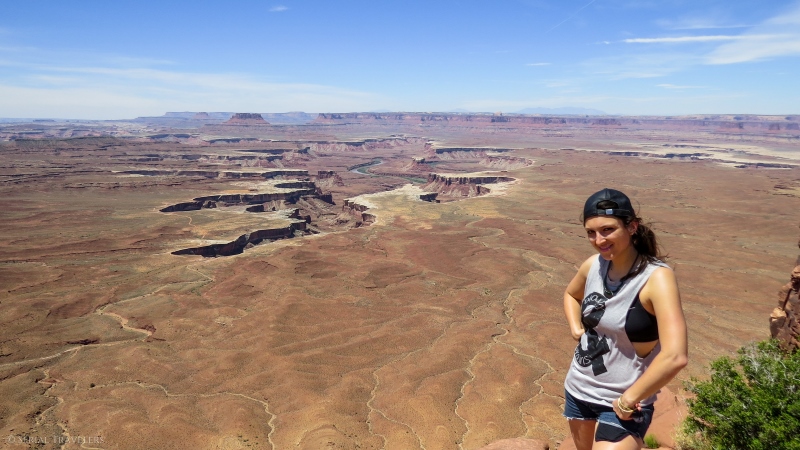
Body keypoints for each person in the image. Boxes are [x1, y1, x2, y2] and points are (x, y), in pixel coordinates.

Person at [562, 188, 688, 450]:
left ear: (632, 227)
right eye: (591, 232)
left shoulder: (656, 279)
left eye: (607, 230)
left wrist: (629, 399)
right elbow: (571, 294)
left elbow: (675, 356)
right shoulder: (593, 265)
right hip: (579, 389)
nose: (599, 240)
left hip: (624, 402)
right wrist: (576, 329)